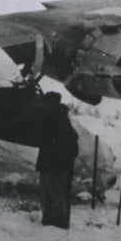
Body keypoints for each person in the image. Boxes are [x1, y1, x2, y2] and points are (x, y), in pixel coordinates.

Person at [35, 92, 78, 230]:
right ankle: (48, 224)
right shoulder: (50, 119)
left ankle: (58, 226)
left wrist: (60, 163)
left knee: (56, 198)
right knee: (47, 196)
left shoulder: (60, 122)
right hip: (48, 165)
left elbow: (72, 147)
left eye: (45, 103)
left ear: (51, 105)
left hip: (56, 167)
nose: (42, 106)